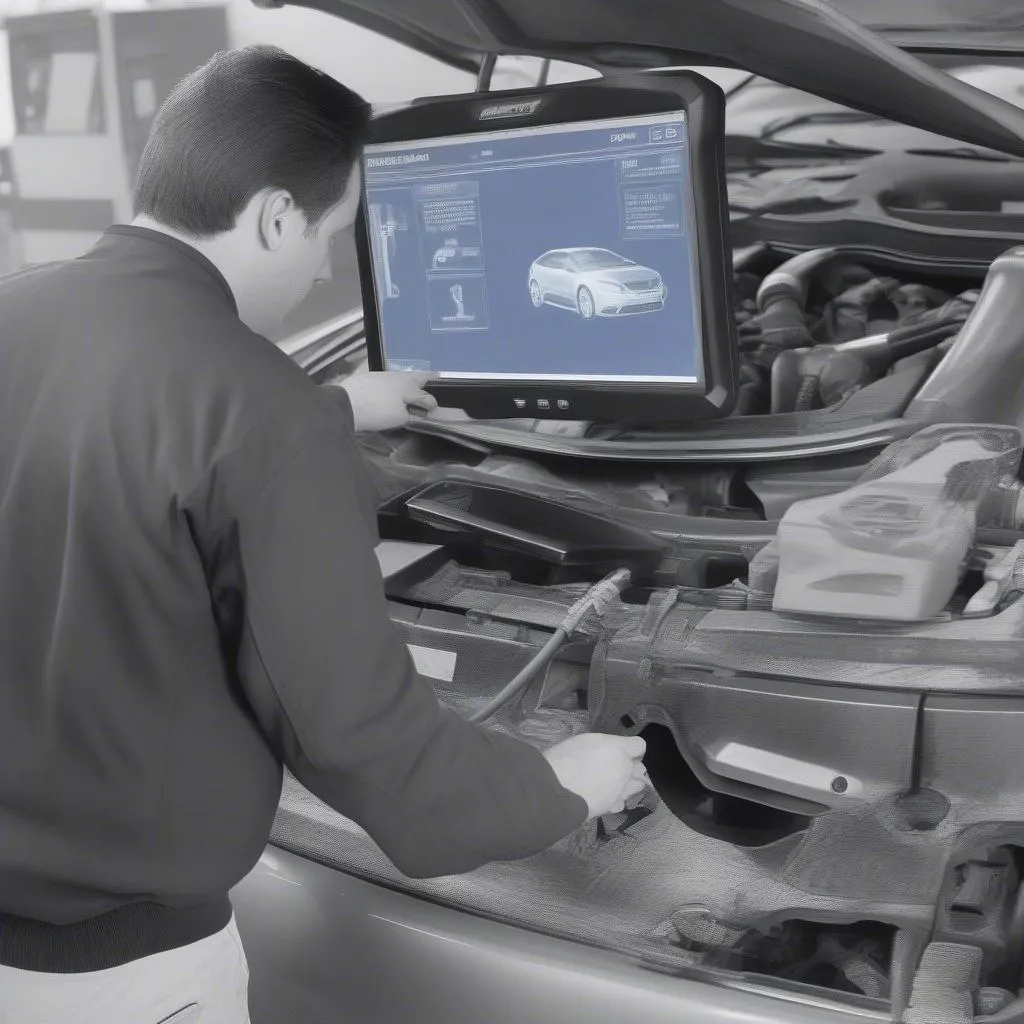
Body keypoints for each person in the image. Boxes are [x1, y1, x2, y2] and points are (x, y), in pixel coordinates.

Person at [0, 45, 648, 1024]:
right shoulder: (267, 417)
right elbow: (361, 746)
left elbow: (118, 440)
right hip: (125, 978)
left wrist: (334, 404)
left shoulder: (19, 309)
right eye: (328, 236)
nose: (316, 275)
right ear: (271, 215)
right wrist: (558, 786)